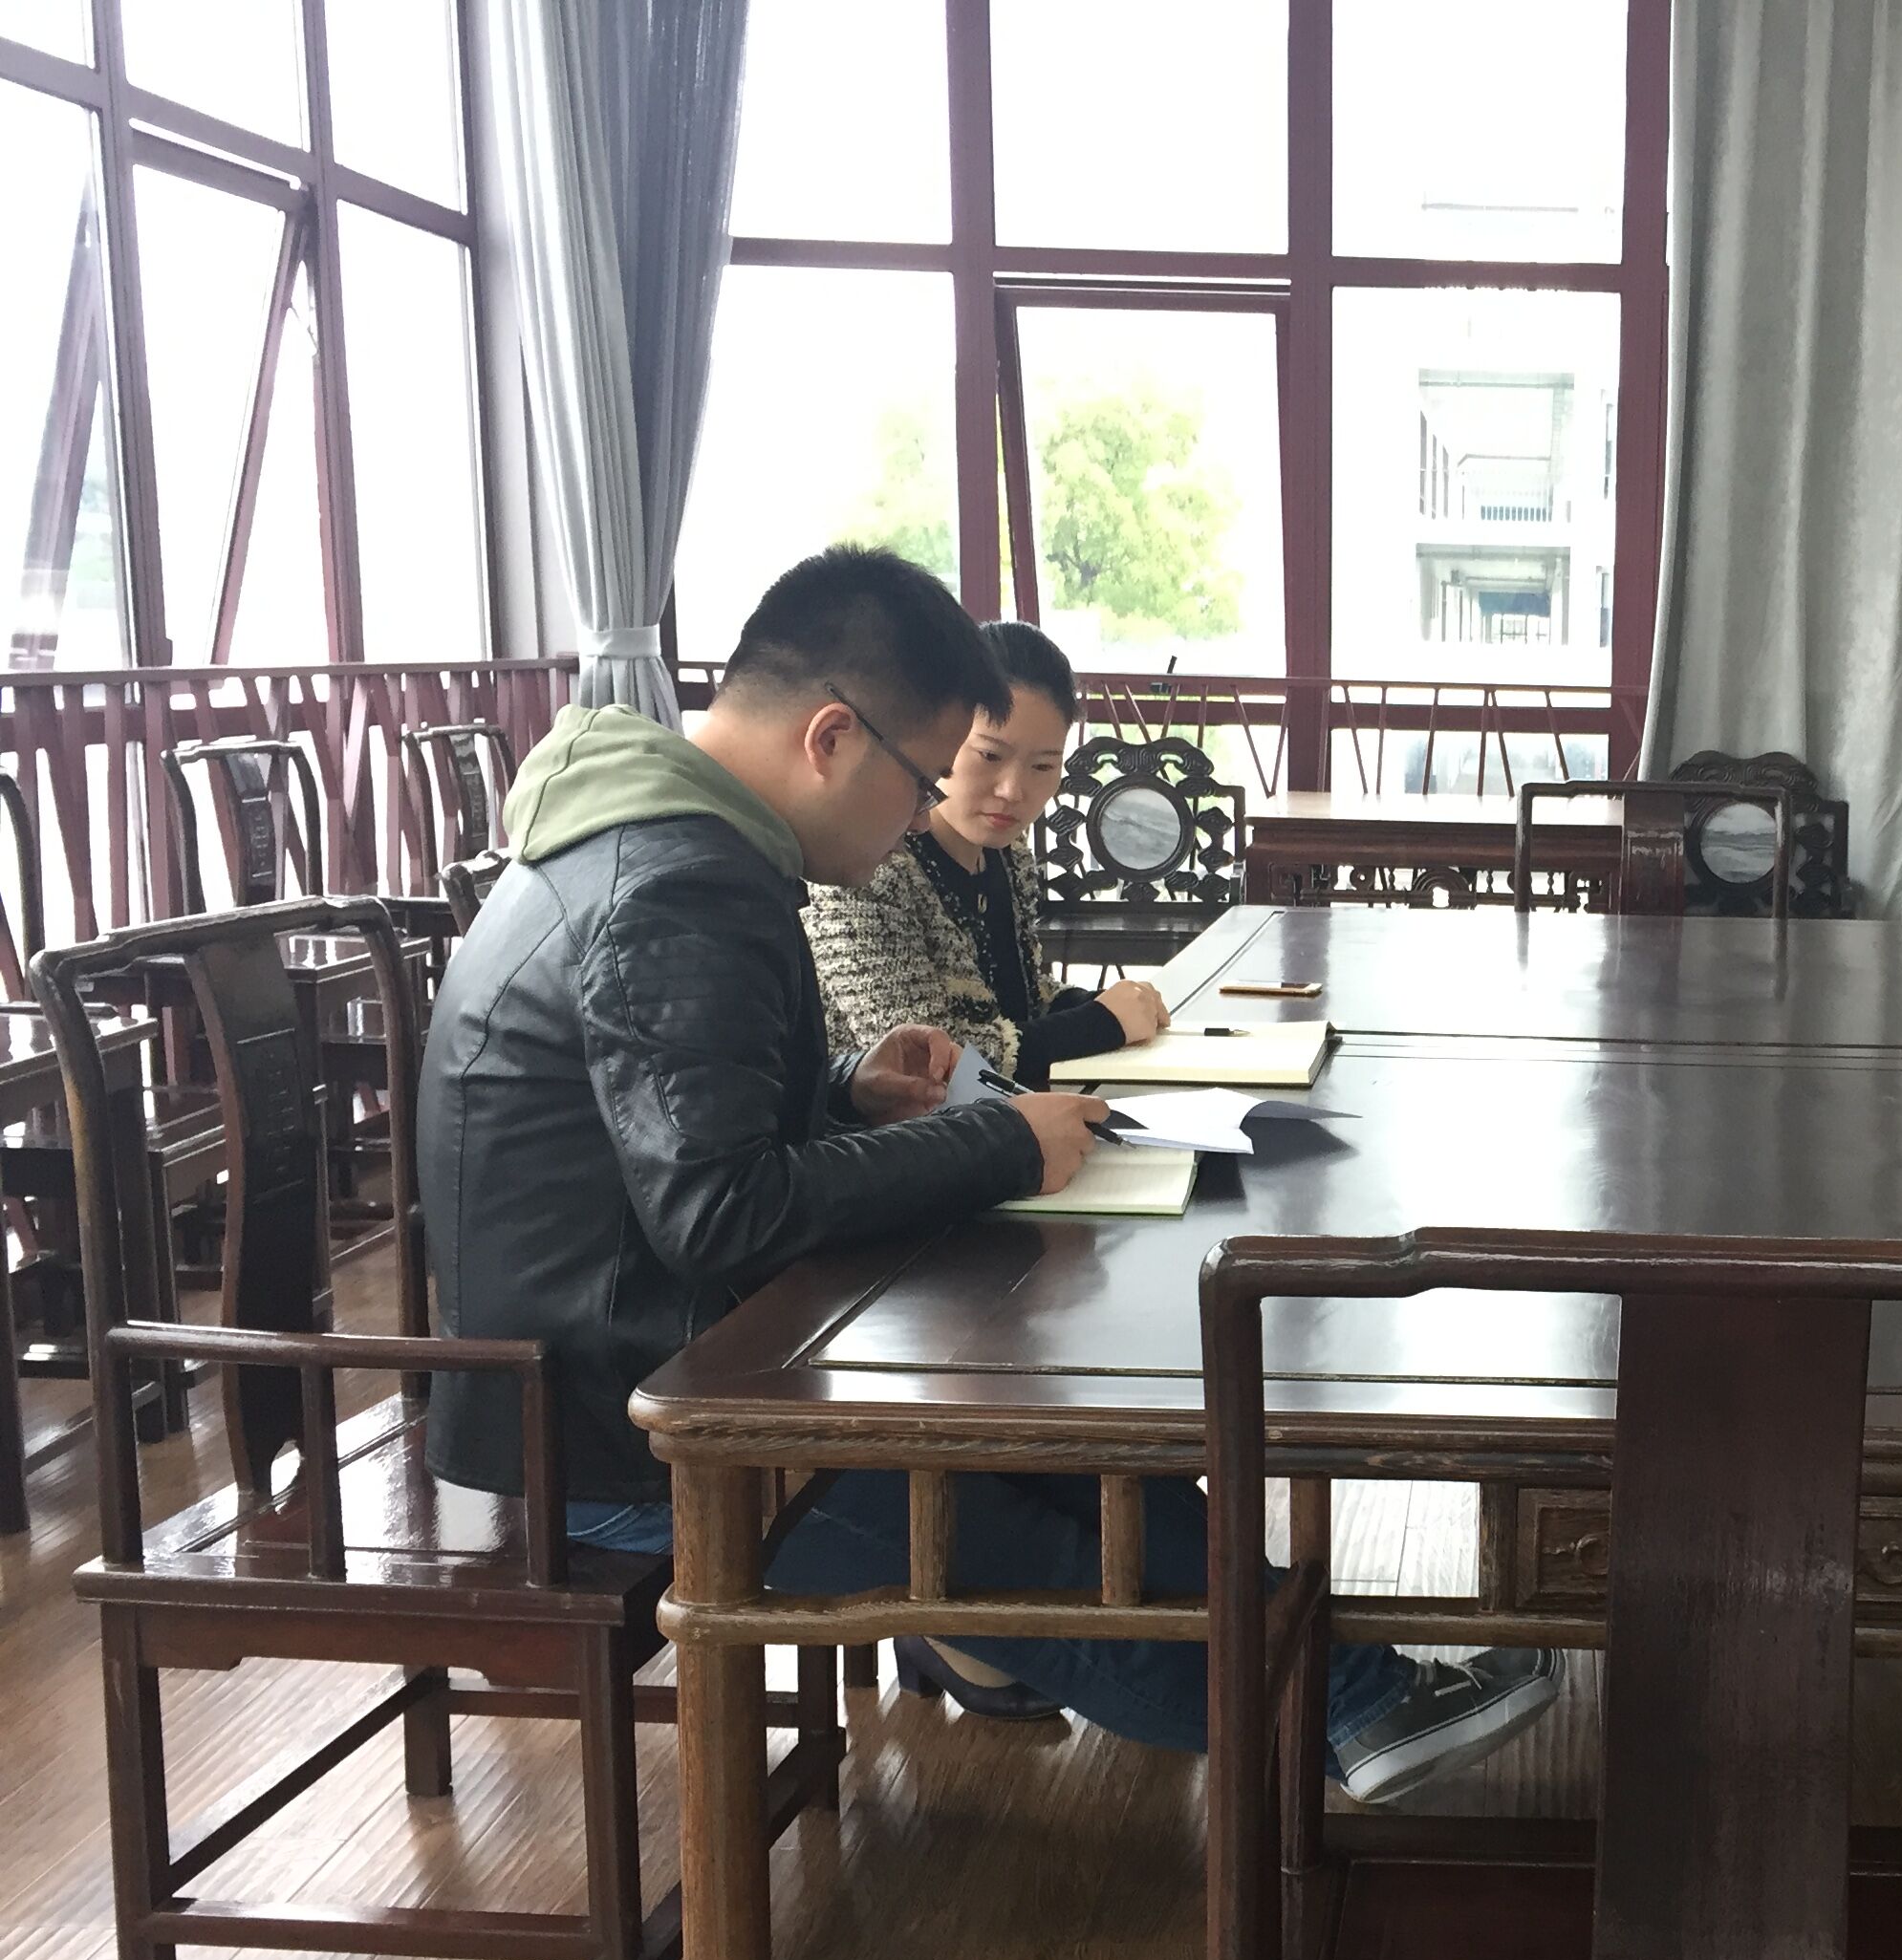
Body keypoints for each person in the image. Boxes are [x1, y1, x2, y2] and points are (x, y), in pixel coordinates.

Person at [420, 545, 1552, 1802]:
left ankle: (1361, 1690)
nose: (923, 818)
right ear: (832, 739)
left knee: (1080, 1464)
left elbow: (660, 1133)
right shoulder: (680, 886)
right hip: (623, 1440)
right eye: (922, 781)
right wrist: (1002, 1139)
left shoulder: (654, 842)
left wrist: (845, 1085)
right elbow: (716, 1211)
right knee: (1011, 1531)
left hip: (654, 1373)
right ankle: (1341, 1706)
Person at [802, 619, 1168, 1083]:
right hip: (903, 1126)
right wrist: (1101, 1022)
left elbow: (1018, 997)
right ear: (942, 738)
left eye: (1043, 766)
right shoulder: (868, 867)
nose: (1013, 791)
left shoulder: (1007, 852)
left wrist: (1101, 1004)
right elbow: (929, 1065)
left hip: (1007, 1113)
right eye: (990, 756)